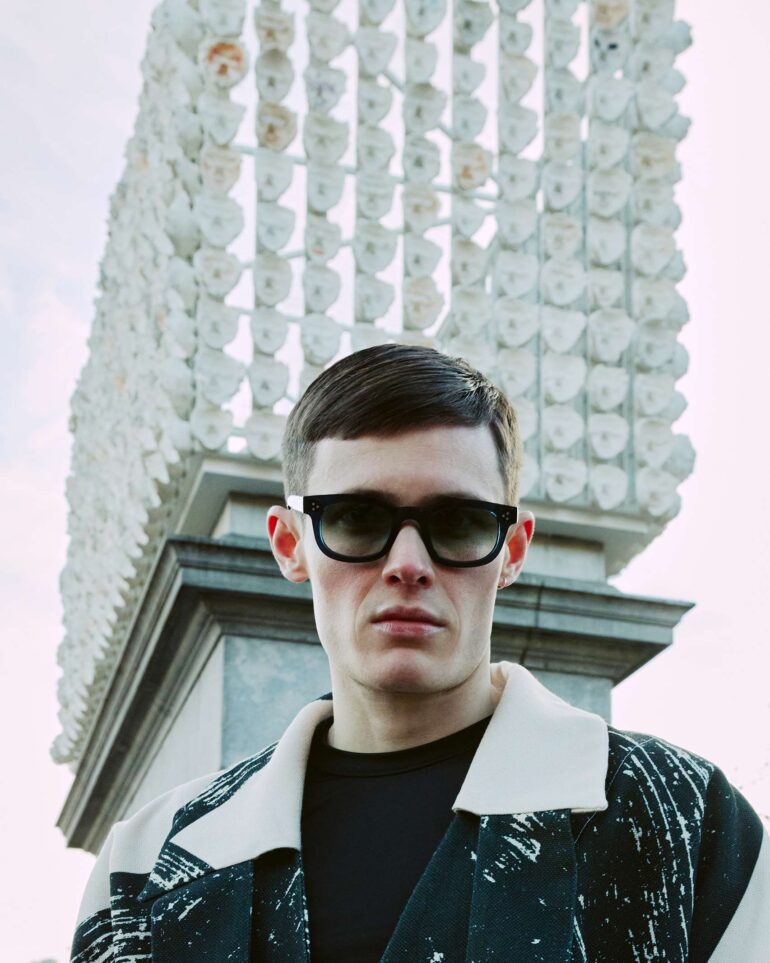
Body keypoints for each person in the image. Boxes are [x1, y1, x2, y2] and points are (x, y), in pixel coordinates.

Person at [71, 344, 768, 962]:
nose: (408, 563)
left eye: (459, 522)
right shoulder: (148, 863)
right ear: (290, 543)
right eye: (356, 518)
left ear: (512, 550)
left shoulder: (683, 819)